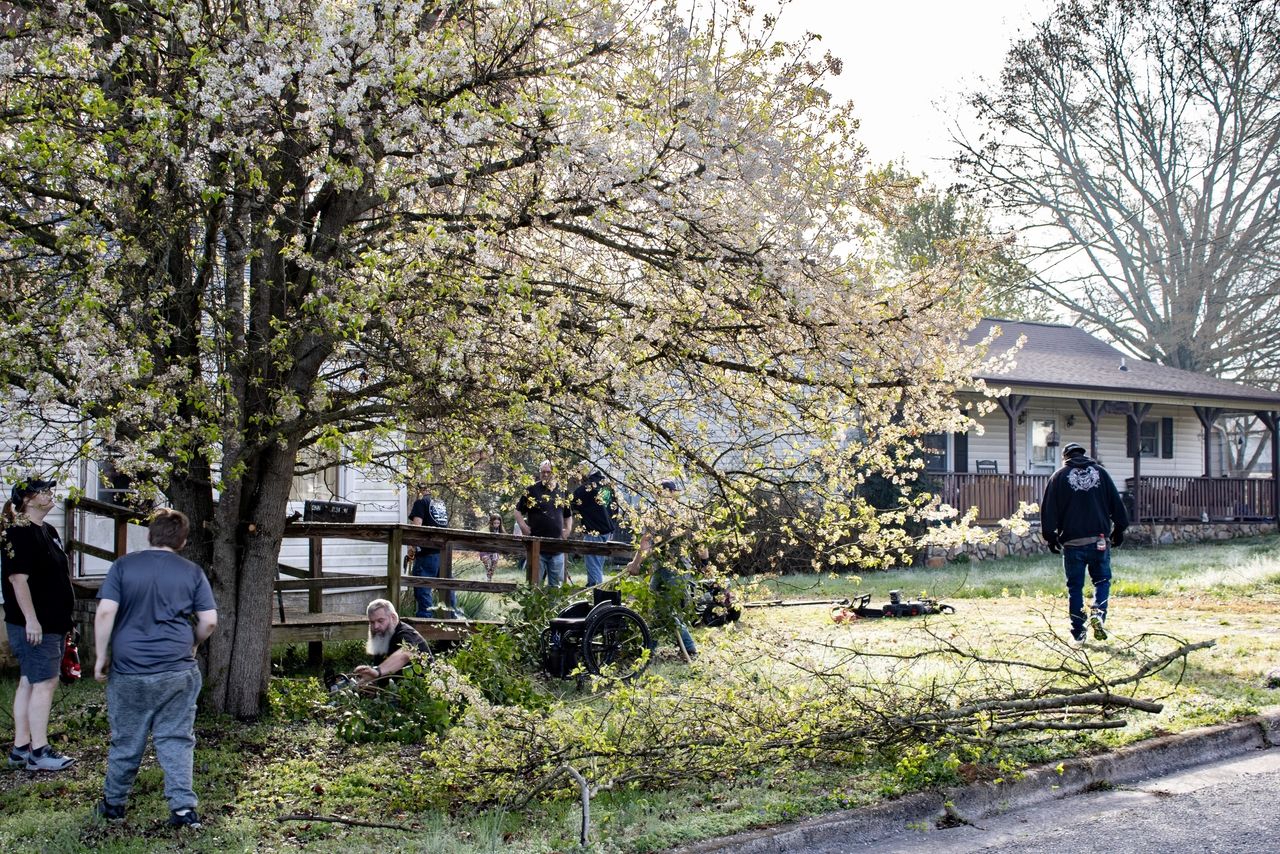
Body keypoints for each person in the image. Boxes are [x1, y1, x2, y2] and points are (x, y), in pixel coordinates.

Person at [93, 508, 218, 828]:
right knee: (176, 738)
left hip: (129, 671)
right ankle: (183, 810)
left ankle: (113, 805)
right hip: (177, 670)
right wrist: (193, 644)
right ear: (183, 540)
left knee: (126, 739)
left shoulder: (123, 566)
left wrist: (100, 655)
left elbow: (106, 613)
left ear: (149, 534)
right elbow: (209, 621)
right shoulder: (191, 572)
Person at [2, 477, 76, 772]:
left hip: (53, 623)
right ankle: (39, 752)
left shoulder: (48, 530)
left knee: (29, 682)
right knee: (45, 683)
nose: (50, 494)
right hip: (34, 625)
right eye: (43, 491)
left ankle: (21, 748)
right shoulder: (18, 533)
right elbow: (18, 580)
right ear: (28, 499)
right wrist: (31, 620)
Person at [1040, 442, 1129, 645]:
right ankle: (1098, 612)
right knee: (1102, 581)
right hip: (1099, 540)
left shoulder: (1059, 477)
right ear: (1083, 455)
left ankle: (1079, 632)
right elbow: (1116, 503)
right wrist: (1119, 529)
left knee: (1075, 588)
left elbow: (1048, 510)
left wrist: (1050, 536)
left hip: (1073, 543)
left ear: (1066, 457)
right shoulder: (1101, 474)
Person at [626, 480, 699, 661]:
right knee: (659, 609)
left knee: (666, 610)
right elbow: (701, 542)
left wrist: (635, 564)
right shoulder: (686, 513)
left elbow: (646, 543)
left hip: (670, 570)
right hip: (677, 569)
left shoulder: (656, 514)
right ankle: (650, 647)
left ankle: (686, 648)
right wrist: (704, 563)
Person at [515, 460, 573, 587]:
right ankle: (534, 607)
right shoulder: (531, 490)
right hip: (537, 547)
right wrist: (524, 527)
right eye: (543, 472)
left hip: (557, 547)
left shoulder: (562, 491)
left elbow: (568, 515)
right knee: (535, 586)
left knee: (555, 587)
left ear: (554, 473)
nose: (545, 474)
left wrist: (567, 530)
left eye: (548, 472)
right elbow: (517, 511)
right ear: (540, 473)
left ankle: (554, 607)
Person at [353, 598, 429, 686]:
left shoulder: (405, 634)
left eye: (380, 621)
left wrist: (377, 671)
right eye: (372, 622)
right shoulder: (383, 636)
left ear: (393, 617)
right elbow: (383, 673)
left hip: (419, 693)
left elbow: (406, 653)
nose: (376, 626)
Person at [408, 484, 453, 618]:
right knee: (447, 587)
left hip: (427, 552)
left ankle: (425, 621)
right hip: (443, 552)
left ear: (420, 490)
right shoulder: (440, 505)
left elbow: (417, 527)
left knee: (422, 588)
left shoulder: (420, 503)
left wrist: (411, 547)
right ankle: (453, 621)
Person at [571, 466, 616, 587]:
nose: (579, 478)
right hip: (607, 532)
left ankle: (595, 592)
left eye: (580, 474)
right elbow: (614, 509)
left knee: (594, 567)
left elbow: (571, 504)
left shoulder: (585, 489)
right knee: (598, 565)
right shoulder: (607, 487)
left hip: (593, 533)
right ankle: (594, 588)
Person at [478, 513, 504, 582]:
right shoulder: (485, 530)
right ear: (491, 522)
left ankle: (489, 578)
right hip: (485, 549)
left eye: (498, 523)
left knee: (494, 563)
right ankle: (488, 577)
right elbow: (480, 538)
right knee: (487, 562)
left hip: (494, 550)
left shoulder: (500, 531)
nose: (496, 525)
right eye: (494, 523)